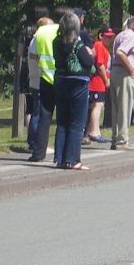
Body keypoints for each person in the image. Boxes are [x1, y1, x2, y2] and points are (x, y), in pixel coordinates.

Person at [52, 11, 95, 170]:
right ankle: (73, 159)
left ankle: (60, 158)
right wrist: (90, 55)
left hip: (60, 81)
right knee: (77, 123)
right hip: (78, 83)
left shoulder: (56, 42)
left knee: (62, 121)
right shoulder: (77, 44)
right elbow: (87, 61)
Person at [110, 15, 134, 150]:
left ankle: (116, 139)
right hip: (124, 74)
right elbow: (120, 52)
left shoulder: (120, 35)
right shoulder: (130, 36)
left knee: (117, 108)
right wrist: (131, 69)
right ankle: (122, 141)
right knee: (125, 107)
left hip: (116, 72)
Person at [27, 15, 59, 161]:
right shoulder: (38, 38)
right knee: (40, 114)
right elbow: (34, 56)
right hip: (43, 79)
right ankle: (36, 144)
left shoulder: (40, 37)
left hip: (44, 78)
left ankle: (38, 148)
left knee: (42, 115)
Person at [85, 27, 113, 143]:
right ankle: (94, 132)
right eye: (107, 36)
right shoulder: (99, 45)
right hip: (97, 82)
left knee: (97, 106)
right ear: (101, 36)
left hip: (99, 81)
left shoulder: (103, 47)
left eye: (111, 37)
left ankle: (92, 131)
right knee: (98, 105)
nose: (110, 39)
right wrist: (106, 80)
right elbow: (100, 65)